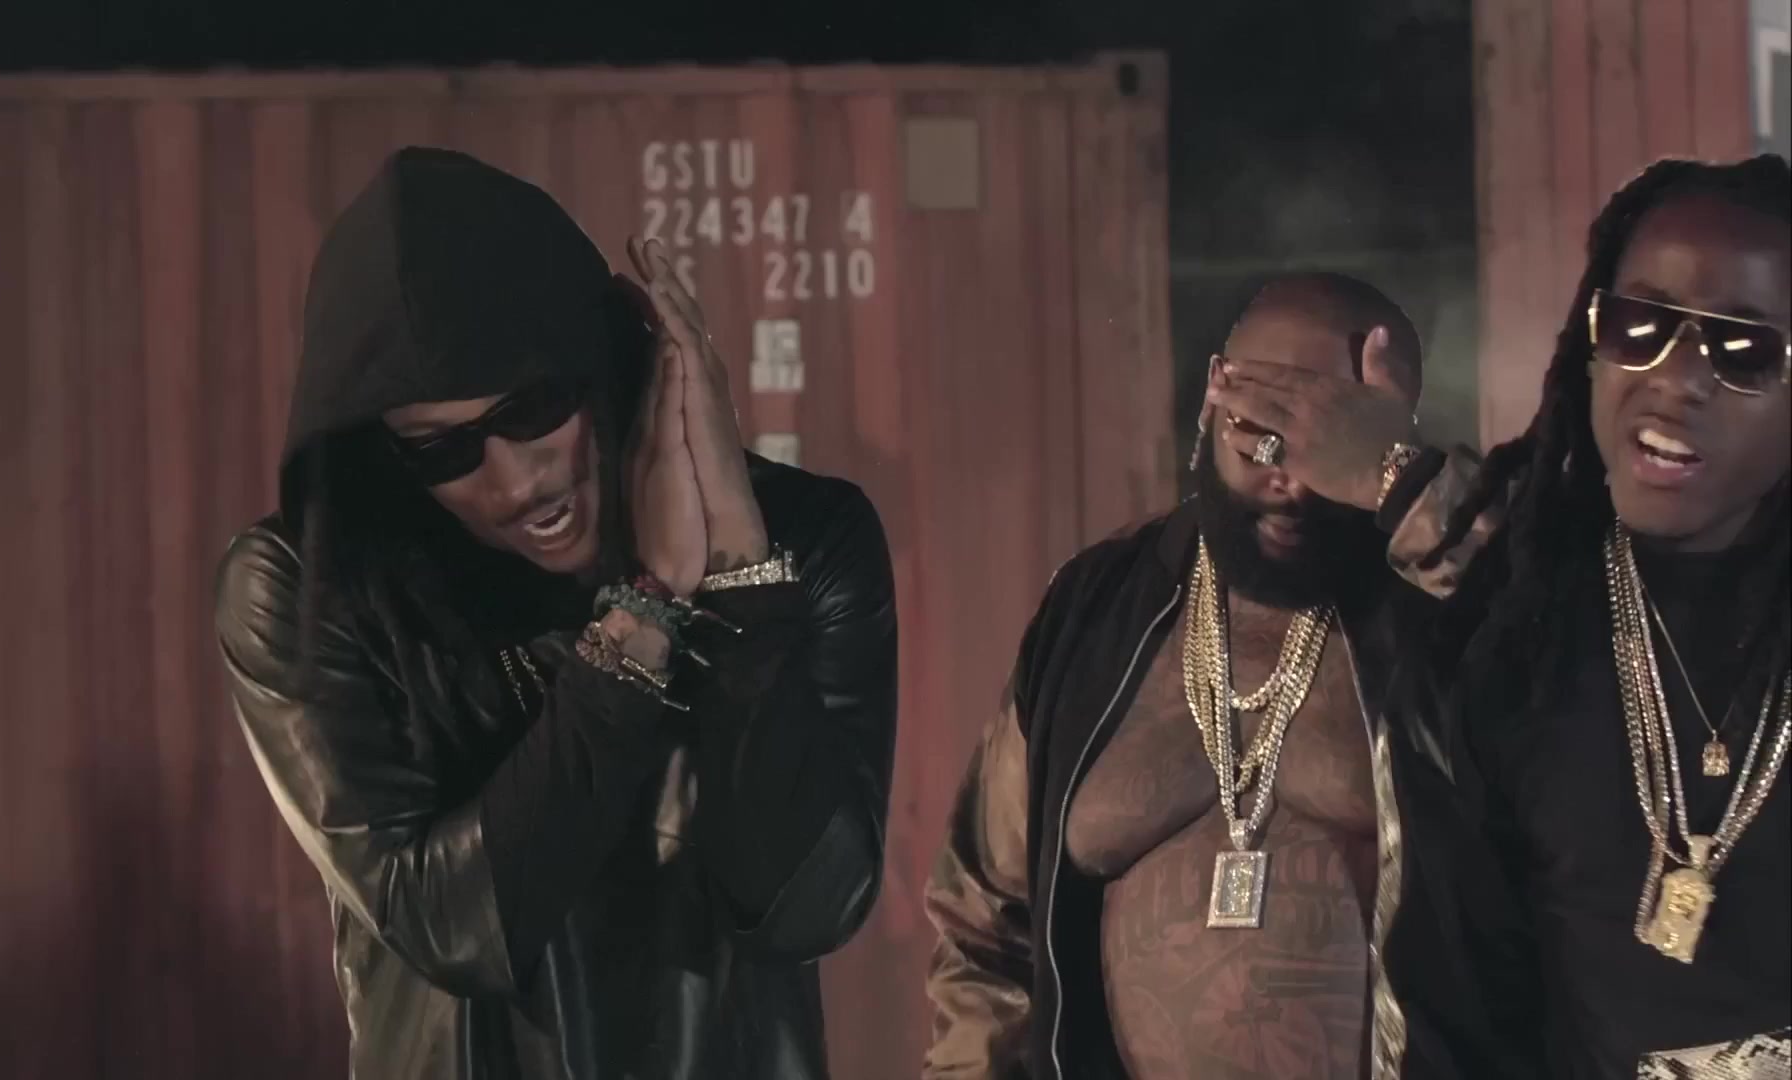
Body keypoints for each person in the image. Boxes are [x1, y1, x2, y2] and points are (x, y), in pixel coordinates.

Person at [213, 147, 897, 1080]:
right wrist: (646, 612)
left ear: (606, 358)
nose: (514, 482)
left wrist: (738, 568)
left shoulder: (805, 541)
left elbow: (810, 906)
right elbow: (454, 928)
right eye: (441, 450)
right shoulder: (309, 590)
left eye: (533, 407)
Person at [1208, 154, 1790, 1077]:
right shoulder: (1506, 645)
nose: (1677, 377)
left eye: (1742, 350)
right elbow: (1453, 1019)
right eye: (1639, 326)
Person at [922, 272, 1456, 1079]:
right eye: (1259, 431)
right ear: (1214, 390)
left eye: (1328, 444)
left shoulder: (1448, 623)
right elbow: (984, 926)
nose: (1289, 477)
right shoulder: (1097, 608)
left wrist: (1408, 487)